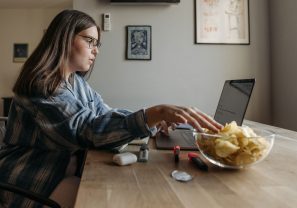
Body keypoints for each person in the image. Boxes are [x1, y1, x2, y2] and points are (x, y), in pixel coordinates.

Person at [0, 10, 222, 208]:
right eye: (90, 41)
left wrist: (152, 121)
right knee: (110, 197)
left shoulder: (76, 82)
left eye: (97, 43)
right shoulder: (42, 86)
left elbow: (104, 114)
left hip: (63, 170)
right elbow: (87, 130)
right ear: (65, 38)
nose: (96, 50)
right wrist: (153, 114)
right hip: (32, 177)